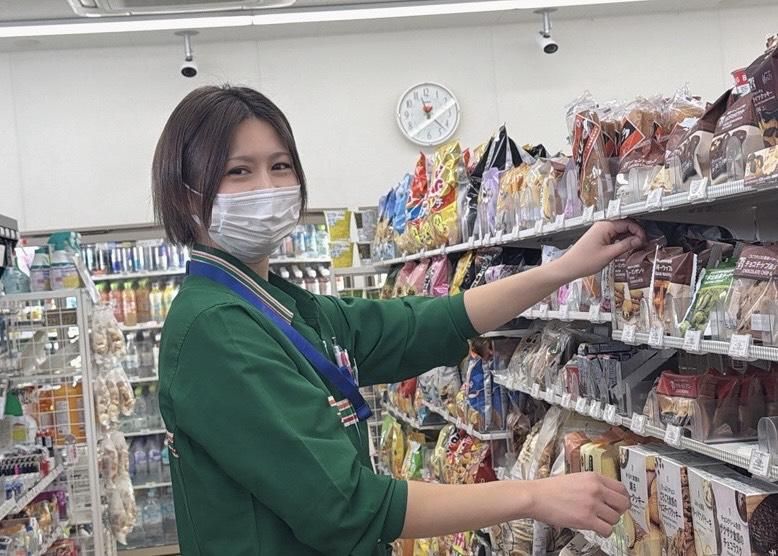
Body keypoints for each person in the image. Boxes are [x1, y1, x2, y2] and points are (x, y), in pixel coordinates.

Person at [152, 85, 643, 556]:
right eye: (238, 172)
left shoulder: (277, 305)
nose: (267, 187)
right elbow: (347, 506)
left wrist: (562, 269)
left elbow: (418, 325)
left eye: (280, 166)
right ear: (185, 193)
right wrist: (533, 495)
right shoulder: (218, 329)